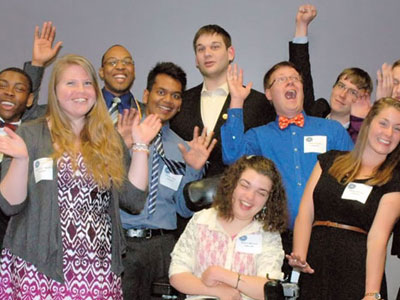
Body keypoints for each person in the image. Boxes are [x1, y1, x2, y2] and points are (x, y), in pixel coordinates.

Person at [0, 54, 162, 299]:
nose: (81, 90)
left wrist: (140, 146)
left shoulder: (107, 138)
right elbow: (9, 204)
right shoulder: (31, 133)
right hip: (39, 264)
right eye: (71, 83)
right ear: (55, 91)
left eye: (87, 83)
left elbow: (134, 199)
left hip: (97, 269)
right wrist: (22, 161)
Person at [120, 62, 217, 299]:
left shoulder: (182, 148)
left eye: (175, 95)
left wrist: (195, 170)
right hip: (123, 245)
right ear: (146, 94)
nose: (168, 100)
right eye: (161, 92)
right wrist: (121, 149)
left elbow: (183, 209)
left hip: (163, 247)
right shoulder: (122, 134)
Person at [287, 97, 400, 299]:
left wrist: (372, 293)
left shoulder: (394, 181)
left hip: (356, 271)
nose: (388, 133)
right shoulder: (329, 160)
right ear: (368, 123)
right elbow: (306, 211)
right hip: (314, 266)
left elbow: (378, 237)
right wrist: (300, 255)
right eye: (383, 123)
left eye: (398, 128)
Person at [169, 155, 288, 300]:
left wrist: (220, 274)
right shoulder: (202, 220)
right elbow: (177, 274)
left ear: (269, 200)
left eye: (261, 193)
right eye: (245, 185)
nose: (250, 197)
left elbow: (268, 290)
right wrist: (218, 291)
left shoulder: (268, 233)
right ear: (233, 184)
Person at [170, 24, 276, 177]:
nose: (207, 53)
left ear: (230, 53)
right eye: (201, 49)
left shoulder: (257, 103)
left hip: (240, 198)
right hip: (186, 197)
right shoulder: (180, 103)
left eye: (215, 47)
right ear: (196, 60)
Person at [0, 21, 62, 248]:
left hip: (21, 231)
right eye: (2, 85)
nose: (8, 92)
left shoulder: (35, 127)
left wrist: (37, 65)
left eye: (18, 90)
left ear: (29, 99)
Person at [289, 4, 373, 142]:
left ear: (361, 101)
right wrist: (301, 26)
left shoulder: (362, 137)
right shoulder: (314, 114)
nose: (343, 94)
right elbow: (301, 73)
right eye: (341, 86)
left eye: (353, 92)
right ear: (333, 87)